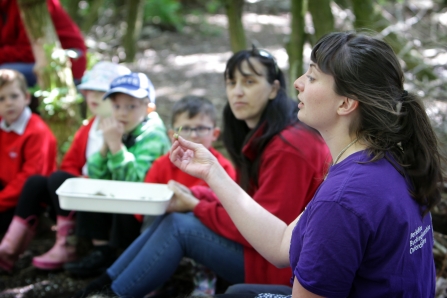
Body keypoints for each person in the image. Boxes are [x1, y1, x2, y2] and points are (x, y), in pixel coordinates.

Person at [170, 31, 441, 297]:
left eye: (312, 76)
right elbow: (280, 244)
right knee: (240, 292)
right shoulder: (386, 159)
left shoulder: (342, 199)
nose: (298, 83)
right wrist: (212, 171)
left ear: (345, 103)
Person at [75, 46, 330, 298]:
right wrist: (196, 195)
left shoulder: (288, 147)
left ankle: (109, 293)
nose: (237, 91)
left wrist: (197, 205)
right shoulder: (270, 136)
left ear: (274, 88)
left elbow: (266, 230)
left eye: (249, 81)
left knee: (179, 226)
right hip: (266, 254)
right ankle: (102, 286)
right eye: (231, 82)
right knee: (173, 219)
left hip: (283, 269)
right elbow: (249, 202)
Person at [0, 62, 131, 272]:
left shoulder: (124, 126)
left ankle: (68, 245)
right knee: (48, 181)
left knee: (52, 179)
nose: (94, 98)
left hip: (103, 201)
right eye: (89, 92)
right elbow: (70, 162)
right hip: (73, 195)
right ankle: (10, 250)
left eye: (102, 92)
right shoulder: (89, 127)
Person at [63, 72, 171, 277]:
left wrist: (115, 146)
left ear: (149, 108)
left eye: (131, 106)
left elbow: (135, 182)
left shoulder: (153, 136)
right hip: (119, 206)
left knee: (126, 202)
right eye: (117, 106)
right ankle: (102, 251)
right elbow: (95, 173)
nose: (122, 113)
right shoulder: (124, 129)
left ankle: (122, 259)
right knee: (89, 188)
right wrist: (106, 145)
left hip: (145, 211)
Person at [140, 94, 236, 230]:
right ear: (172, 135)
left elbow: (232, 210)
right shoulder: (161, 165)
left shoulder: (223, 168)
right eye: (184, 129)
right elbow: (144, 208)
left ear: (215, 134)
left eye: (201, 128)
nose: (193, 135)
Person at [0, 69, 57, 271]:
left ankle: (7, 254)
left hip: (30, 199)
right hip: (6, 193)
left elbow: (29, 178)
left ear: (26, 97)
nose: (8, 103)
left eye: (14, 96)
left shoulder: (37, 131)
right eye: (1, 98)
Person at [0, 0, 87, 87]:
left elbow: (29, 51)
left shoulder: (29, 4)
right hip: (33, 62)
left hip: (67, 67)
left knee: (4, 73)